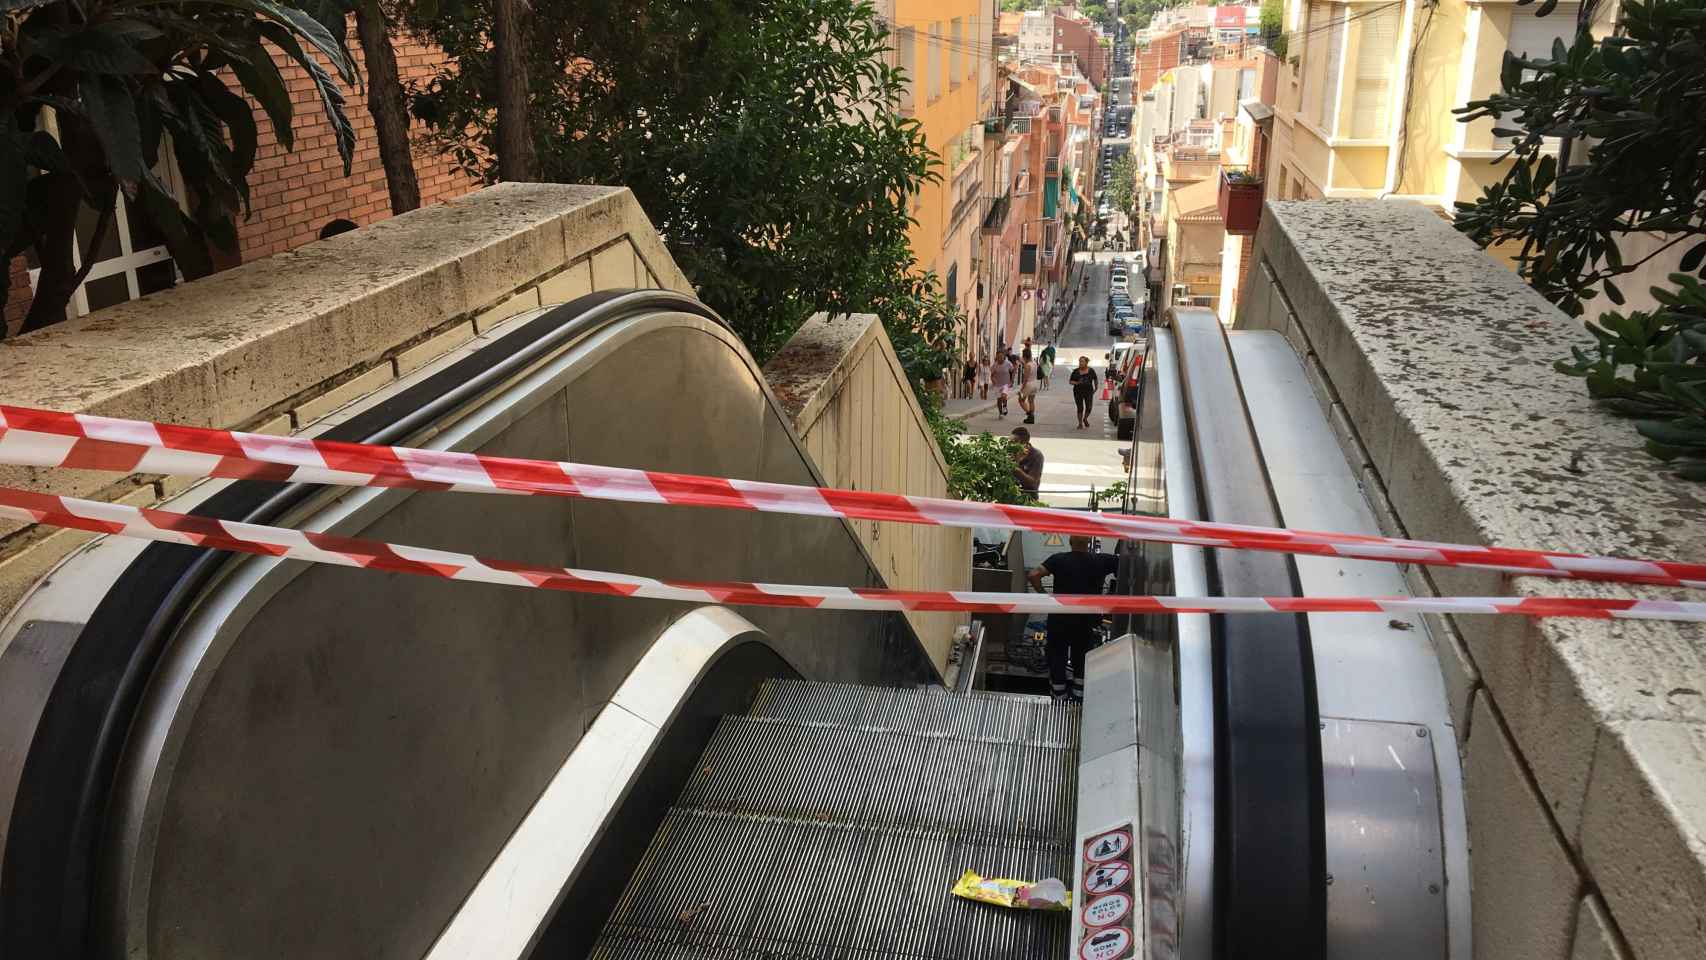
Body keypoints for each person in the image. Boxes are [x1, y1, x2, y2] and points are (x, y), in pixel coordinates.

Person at [1028, 535, 1118, 701]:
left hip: (1060, 618)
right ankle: (1078, 699)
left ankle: (1059, 697)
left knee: (1057, 656)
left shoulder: (1058, 559)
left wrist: (1045, 597)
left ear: (1070, 542)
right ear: (1088, 543)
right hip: (1087, 621)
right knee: (1083, 658)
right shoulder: (1102, 561)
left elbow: (1033, 574)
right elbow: (1127, 564)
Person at [1010, 426, 1044, 498]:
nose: (1010, 445)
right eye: (1010, 442)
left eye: (1013, 442)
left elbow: (1032, 483)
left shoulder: (1036, 456)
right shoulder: (1009, 452)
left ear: (1024, 443)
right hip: (1010, 495)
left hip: (1028, 497)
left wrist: (1015, 467)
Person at [1069, 356, 1099, 429]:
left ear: (1086, 362)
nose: (1080, 363)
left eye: (1082, 361)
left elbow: (1095, 379)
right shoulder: (1075, 371)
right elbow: (1070, 381)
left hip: (1088, 391)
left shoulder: (1091, 371)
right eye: (1079, 361)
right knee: (1080, 408)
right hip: (1078, 392)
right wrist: (1077, 383)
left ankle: (1085, 418)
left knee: (1089, 407)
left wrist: (1096, 387)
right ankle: (1080, 424)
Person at [1017, 348, 1039, 424]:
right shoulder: (1034, 363)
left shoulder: (1027, 365)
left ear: (1024, 356)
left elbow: (1025, 379)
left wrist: (1021, 389)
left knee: (1021, 400)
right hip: (1035, 383)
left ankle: (1030, 414)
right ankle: (1031, 417)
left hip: (1029, 384)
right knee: (1031, 401)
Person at [991, 353, 1012, 417]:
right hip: (997, 384)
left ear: (1004, 357)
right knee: (999, 400)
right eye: (998, 356)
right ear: (997, 357)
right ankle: (1000, 413)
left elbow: (1013, 371)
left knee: (1003, 395)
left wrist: (1012, 380)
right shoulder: (995, 365)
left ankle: (1005, 407)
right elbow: (992, 375)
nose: (1000, 358)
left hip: (1005, 384)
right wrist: (993, 380)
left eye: (1001, 356)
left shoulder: (1008, 364)